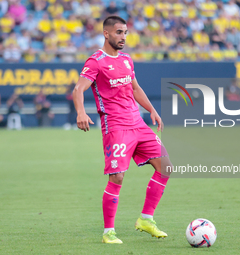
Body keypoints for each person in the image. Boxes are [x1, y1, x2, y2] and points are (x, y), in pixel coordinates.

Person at [72, 16, 173, 244]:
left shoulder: (127, 59)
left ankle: (146, 219)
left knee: (165, 167)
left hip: (138, 123)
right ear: (106, 34)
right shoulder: (95, 61)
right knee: (117, 177)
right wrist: (81, 112)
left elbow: (135, 88)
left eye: (125, 32)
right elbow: (78, 89)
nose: (123, 37)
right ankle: (108, 232)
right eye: (119, 32)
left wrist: (152, 110)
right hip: (116, 127)